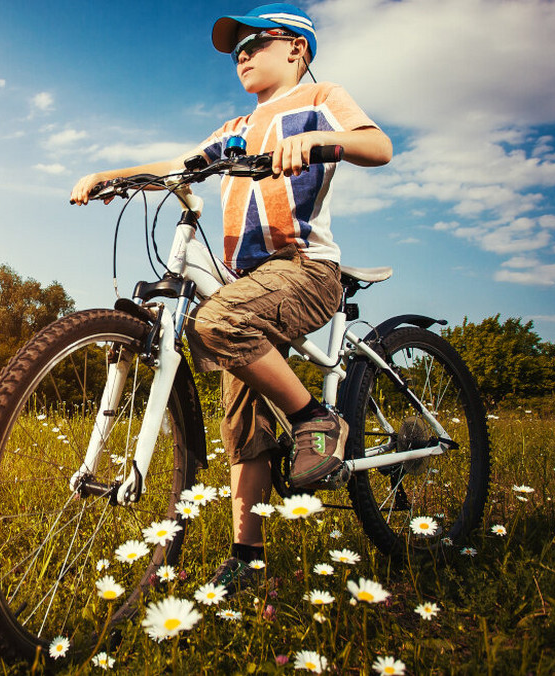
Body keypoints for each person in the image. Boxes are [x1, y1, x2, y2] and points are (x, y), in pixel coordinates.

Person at [70, 3, 392, 594]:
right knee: (241, 427)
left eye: (255, 42)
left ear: (296, 49)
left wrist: (322, 142)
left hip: (303, 269)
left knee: (215, 322)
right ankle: (248, 559)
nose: (242, 53)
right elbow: (179, 166)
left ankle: (316, 420)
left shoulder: (320, 99)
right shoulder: (233, 130)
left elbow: (379, 146)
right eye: (235, 48)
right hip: (247, 285)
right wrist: (112, 174)